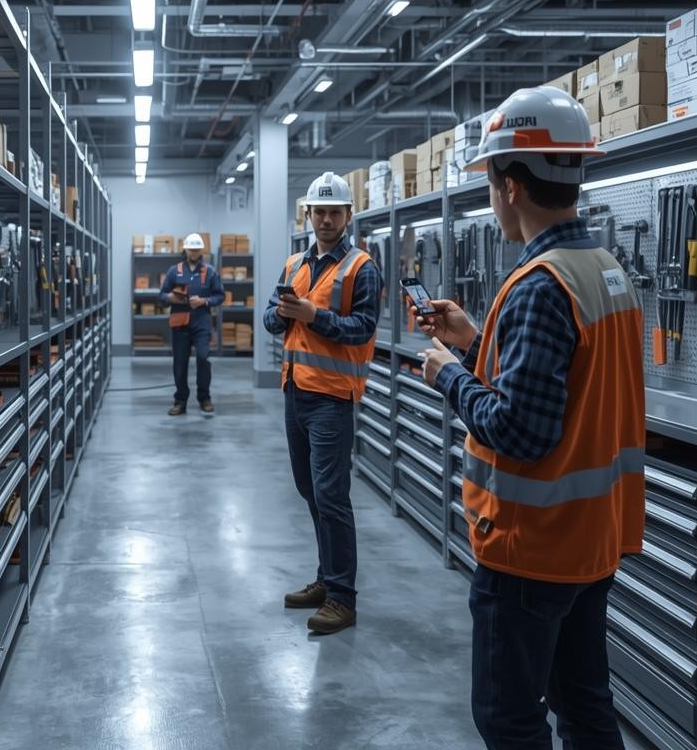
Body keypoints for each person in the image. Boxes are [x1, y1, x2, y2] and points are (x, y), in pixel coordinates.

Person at [415, 86, 645, 750]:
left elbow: (521, 430)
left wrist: (450, 374)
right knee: (584, 707)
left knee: (510, 719)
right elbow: (568, 380)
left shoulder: (541, 284)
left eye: (489, 180)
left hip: (531, 550)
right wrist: (480, 338)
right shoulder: (604, 270)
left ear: (510, 184)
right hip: (590, 539)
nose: (490, 196)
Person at [263, 172, 379, 635]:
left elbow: (363, 329)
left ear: (348, 215)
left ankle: (343, 598)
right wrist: (287, 313)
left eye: (335, 211)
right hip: (295, 393)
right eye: (320, 211)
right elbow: (272, 318)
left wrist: (315, 316)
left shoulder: (361, 267)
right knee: (310, 492)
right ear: (308, 215)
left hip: (332, 397)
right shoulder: (294, 264)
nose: (327, 218)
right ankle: (325, 579)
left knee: (332, 497)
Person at [160, 232, 224, 415]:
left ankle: (204, 398)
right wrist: (170, 297)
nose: (193, 252)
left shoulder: (210, 271)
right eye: (190, 249)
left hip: (201, 322)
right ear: (185, 249)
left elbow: (220, 296)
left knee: (203, 358)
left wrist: (204, 301)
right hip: (180, 323)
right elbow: (161, 296)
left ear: (200, 250)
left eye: (196, 249)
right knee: (179, 363)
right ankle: (180, 400)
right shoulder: (175, 271)